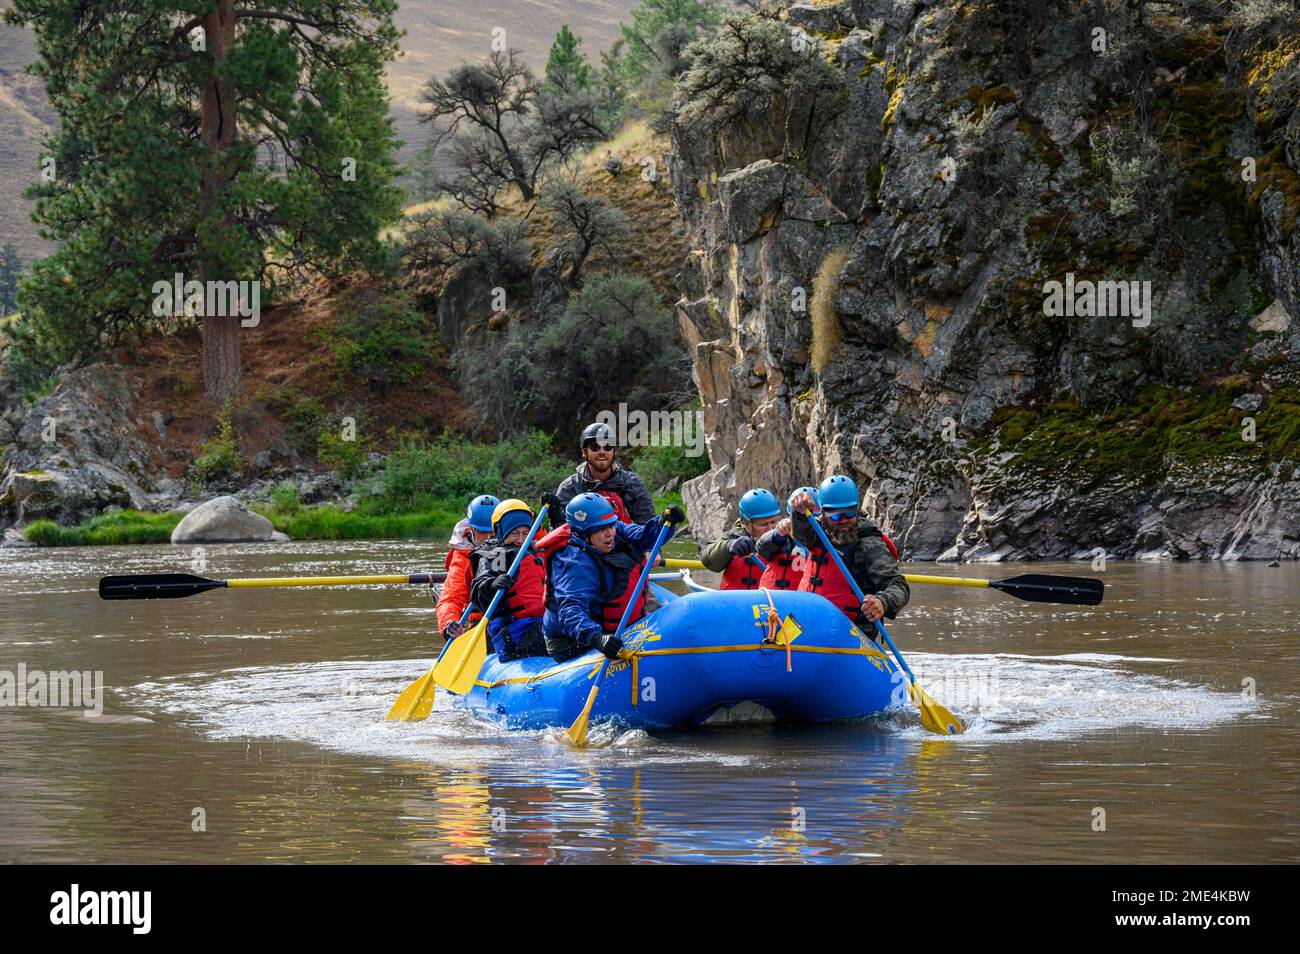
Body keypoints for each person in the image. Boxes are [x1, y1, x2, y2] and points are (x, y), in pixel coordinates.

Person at [542, 492, 685, 662]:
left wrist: (664, 523)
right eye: (602, 529)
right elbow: (570, 610)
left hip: (611, 629)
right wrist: (597, 639)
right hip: (572, 642)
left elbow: (644, 536)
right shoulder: (574, 564)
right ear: (583, 533)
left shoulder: (613, 529)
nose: (610, 533)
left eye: (611, 525)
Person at [789, 475, 909, 627]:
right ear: (823, 513)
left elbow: (898, 585)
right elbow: (803, 535)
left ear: (857, 509)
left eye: (850, 513)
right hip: (806, 619)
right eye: (836, 515)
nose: (844, 520)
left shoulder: (868, 544)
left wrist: (882, 601)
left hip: (847, 628)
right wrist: (799, 514)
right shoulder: (819, 532)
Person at [467, 500, 549, 662]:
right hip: (516, 636)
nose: (520, 539)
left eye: (525, 533)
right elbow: (479, 589)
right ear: (502, 532)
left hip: (546, 626)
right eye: (514, 533)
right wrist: (493, 584)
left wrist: (555, 516)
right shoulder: (499, 555)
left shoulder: (537, 552)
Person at [550, 422, 655, 527]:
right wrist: (555, 516)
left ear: (613, 452)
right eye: (595, 447)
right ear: (584, 452)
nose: (602, 452)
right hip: (583, 542)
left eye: (607, 446)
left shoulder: (632, 483)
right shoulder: (570, 487)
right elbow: (560, 533)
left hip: (626, 541)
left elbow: (648, 527)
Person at [436, 494, 498, 640]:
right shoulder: (463, 557)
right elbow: (450, 598)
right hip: (481, 624)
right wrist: (449, 623)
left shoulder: (517, 540)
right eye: (483, 533)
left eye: (493, 532)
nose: (489, 538)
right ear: (471, 530)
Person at [698, 488, 783, 590]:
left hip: (771, 602)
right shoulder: (734, 536)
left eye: (774, 522)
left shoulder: (785, 536)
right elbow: (706, 558)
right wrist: (728, 546)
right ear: (746, 523)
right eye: (763, 524)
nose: (770, 529)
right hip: (736, 603)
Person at [755, 486, 819, 591]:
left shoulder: (822, 541)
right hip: (771, 599)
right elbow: (761, 547)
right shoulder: (781, 535)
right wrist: (777, 535)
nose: (807, 523)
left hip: (799, 600)